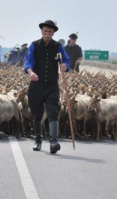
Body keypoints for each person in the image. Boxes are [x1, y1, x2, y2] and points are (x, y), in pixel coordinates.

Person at [24, 20, 70, 154]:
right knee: (37, 114)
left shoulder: (58, 47)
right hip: (36, 85)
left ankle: (53, 142)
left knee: (53, 112)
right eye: (45, 31)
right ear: (41, 31)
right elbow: (28, 63)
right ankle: (37, 140)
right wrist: (30, 72)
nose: (47, 33)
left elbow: (66, 61)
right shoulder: (34, 45)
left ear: (53, 33)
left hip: (52, 85)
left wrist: (65, 66)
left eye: (50, 32)